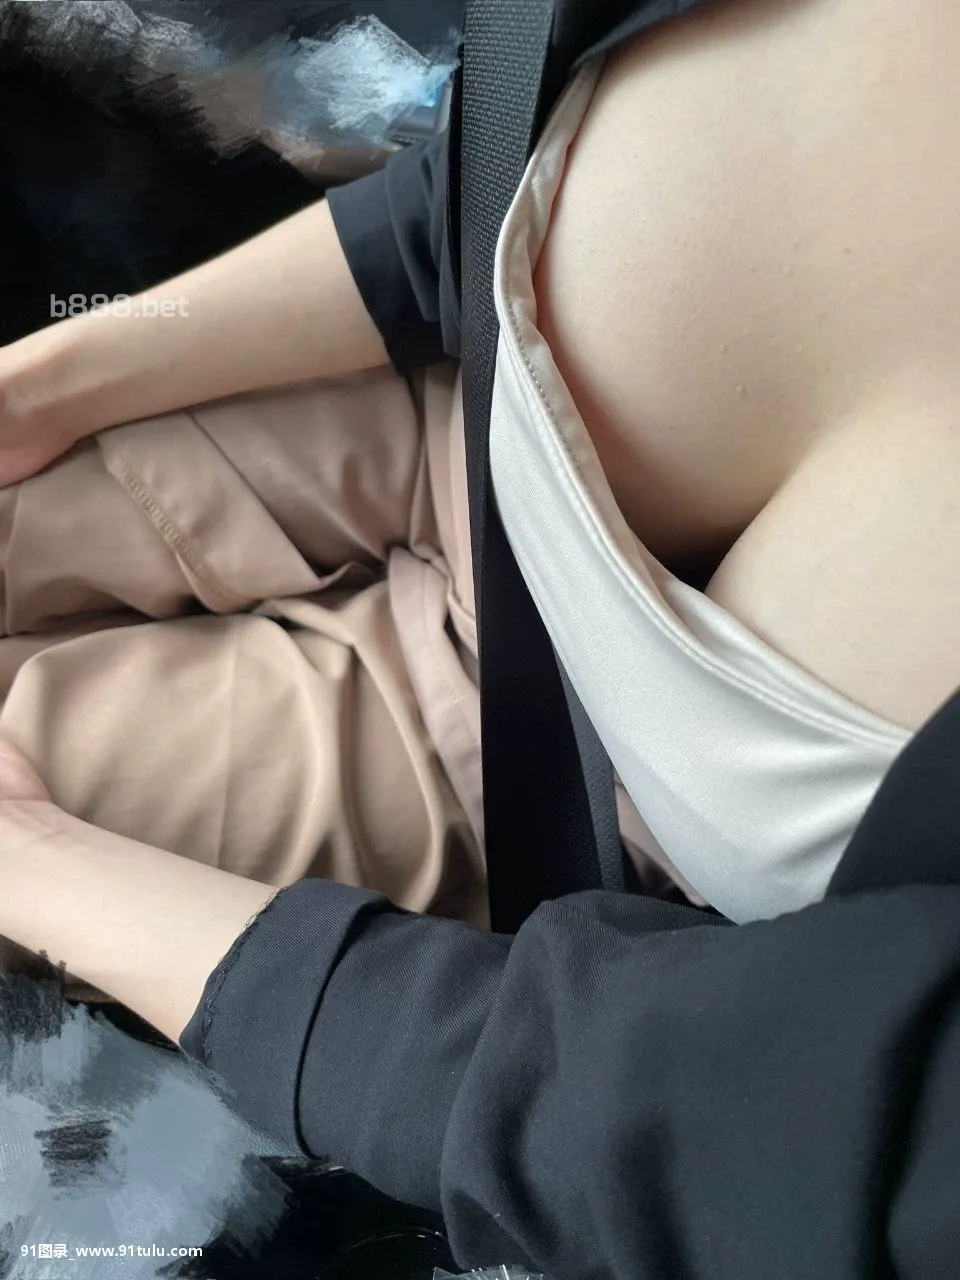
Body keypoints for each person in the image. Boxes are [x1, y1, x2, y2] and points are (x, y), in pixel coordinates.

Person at [0, 0, 959, 1274]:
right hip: (442, 384)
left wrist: (36, 864)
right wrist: (48, 382)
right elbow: (491, 171)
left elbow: (709, 1122)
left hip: (557, 779)